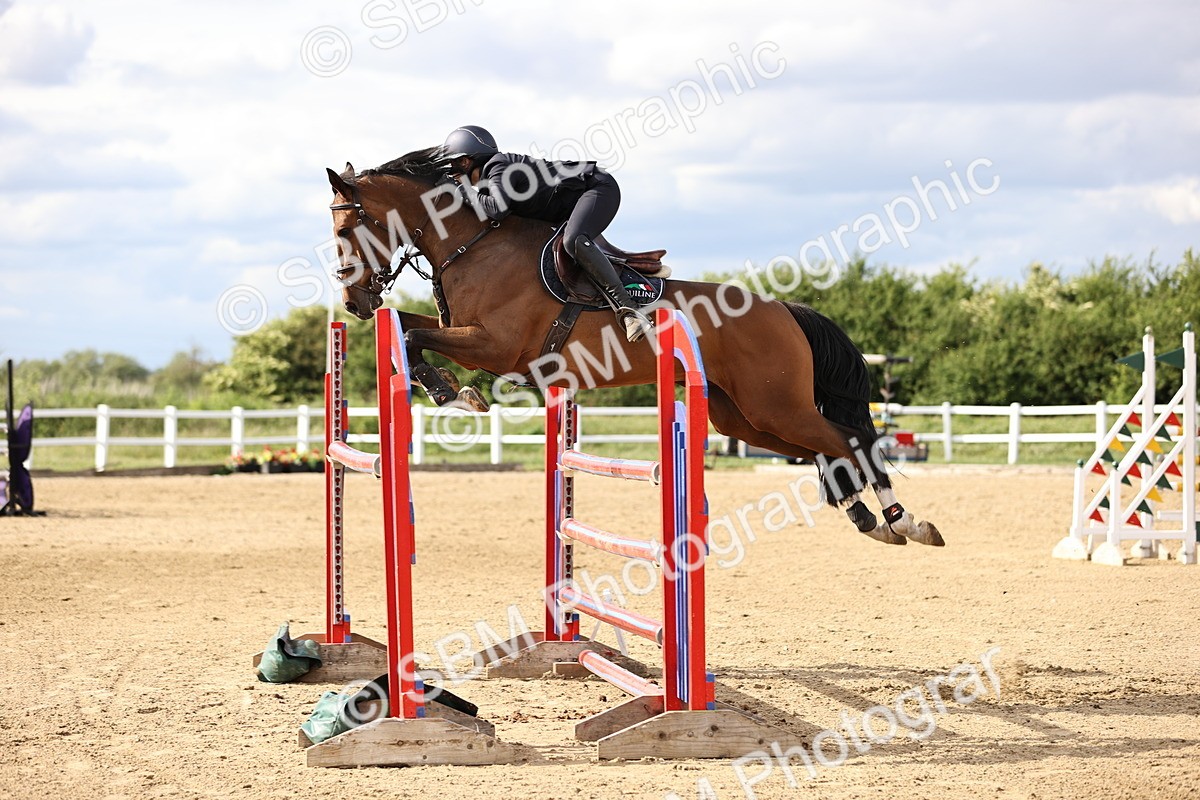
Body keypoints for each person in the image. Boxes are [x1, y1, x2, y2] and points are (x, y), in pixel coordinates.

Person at [442, 125, 653, 343]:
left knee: (573, 241)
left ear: (467, 161)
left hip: (597, 188)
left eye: (455, 165)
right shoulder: (489, 182)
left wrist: (462, 191)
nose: (454, 174)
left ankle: (630, 309)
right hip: (570, 204)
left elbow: (497, 209)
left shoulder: (498, 166)